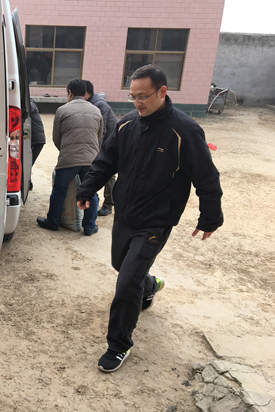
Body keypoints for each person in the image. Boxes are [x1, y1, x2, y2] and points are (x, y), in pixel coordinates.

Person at [76, 65, 223, 372]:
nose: (137, 102)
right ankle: (150, 285)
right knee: (121, 265)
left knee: (126, 282)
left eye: (143, 96)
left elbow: (206, 176)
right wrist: (87, 188)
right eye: (133, 96)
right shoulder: (127, 124)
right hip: (126, 213)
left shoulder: (185, 130)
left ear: (162, 92)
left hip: (157, 220)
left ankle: (118, 345)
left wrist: (210, 217)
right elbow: (105, 161)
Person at [37, 78, 103, 236]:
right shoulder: (96, 110)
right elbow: (99, 135)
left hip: (68, 160)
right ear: (85, 93)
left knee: (59, 192)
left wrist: (66, 150)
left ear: (70, 93)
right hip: (91, 160)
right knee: (90, 193)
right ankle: (89, 227)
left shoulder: (62, 110)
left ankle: (52, 222)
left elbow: (56, 138)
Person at [84, 80, 118, 216]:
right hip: (101, 142)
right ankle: (95, 198)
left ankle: (108, 204)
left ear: (85, 93)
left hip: (111, 143)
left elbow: (101, 130)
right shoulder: (90, 103)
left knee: (109, 173)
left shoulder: (99, 105)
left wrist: (96, 152)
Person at [29, 98, 46, 190]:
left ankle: (27, 183)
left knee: (28, 163)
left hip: (37, 139)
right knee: (28, 162)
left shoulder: (29, 102)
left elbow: (28, 107)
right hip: (36, 138)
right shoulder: (30, 102)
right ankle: (27, 182)